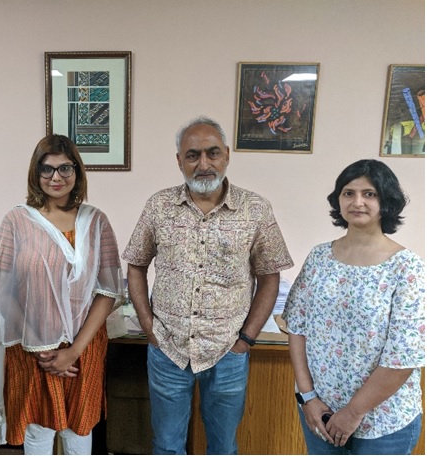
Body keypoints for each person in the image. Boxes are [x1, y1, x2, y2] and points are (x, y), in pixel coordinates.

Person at [122, 115, 294, 454]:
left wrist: (246, 339)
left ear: (227, 155)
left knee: (223, 446)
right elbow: (136, 265)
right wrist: (148, 326)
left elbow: (269, 277)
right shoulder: (159, 206)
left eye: (212, 153)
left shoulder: (255, 210)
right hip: (168, 348)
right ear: (179, 161)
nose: (204, 164)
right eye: (193, 155)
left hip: (228, 351)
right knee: (167, 445)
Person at [0, 134, 124, 455]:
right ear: (35, 173)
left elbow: (108, 290)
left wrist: (74, 351)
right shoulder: (16, 221)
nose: (56, 177)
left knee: (78, 429)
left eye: (65, 168)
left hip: (82, 346)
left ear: (78, 172)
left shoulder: (96, 221)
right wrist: (39, 345)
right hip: (31, 348)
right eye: (47, 169)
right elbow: (1, 289)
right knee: (38, 429)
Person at [282, 159, 424, 455]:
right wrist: (308, 398)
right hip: (321, 414)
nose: (357, 201)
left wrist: (353, 413)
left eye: (369, 194)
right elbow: (297, 327)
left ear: (386, 201)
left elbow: (403, 357)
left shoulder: (406, 268)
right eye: (349, 193)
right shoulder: (320, 257)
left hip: (383, 424)